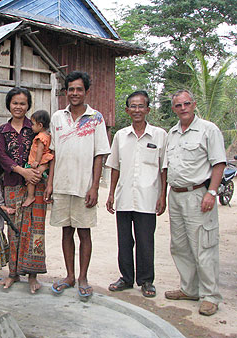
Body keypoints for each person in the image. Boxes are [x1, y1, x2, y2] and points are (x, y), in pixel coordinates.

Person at [44, 71, 110, 299]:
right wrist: (50, 183)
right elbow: (52, 154)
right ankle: (69, 276)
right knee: (66, 232)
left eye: (79, 89)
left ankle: (83, 277)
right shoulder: (57, 118)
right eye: (70, 89)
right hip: (62, 185)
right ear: (66, 92)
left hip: (84, 187)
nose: (74, 93)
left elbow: (99, 155)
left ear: (86, 92)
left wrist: (94, 187)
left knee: (84, 233)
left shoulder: (96, 118)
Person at [164, 90, 226, 316]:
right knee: (179, 246)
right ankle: (189, 289)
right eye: (178, 105)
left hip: (199, 195)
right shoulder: (172, 133)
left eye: (186, 104)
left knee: (204, 246)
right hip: (176, 194)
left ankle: (210, 296)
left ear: (194, 104)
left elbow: (219, 163)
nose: (183, 108)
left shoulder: (208, 130)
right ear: (173, 109)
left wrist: (212, 192)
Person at [105, 91, 167, 298]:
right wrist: (111, 194)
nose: (137, 110)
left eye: (141, 106)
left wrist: (162, 196)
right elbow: (115, 167)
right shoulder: (121, 136)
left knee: (145, 240)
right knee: (124, 240)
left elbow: (163, 169)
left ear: (148, 109)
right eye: (133, 106)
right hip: (124, 198)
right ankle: (126, 278)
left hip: (148, 197)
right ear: (127, 110)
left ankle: (146, 280)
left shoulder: (159, 135)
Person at [0, 87, 47, 294]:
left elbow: (47, 152)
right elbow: (2, 157)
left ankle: (33, 275)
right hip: (11, 184)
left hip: (36, 183)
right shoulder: (2, 131)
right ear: (9, 104)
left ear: (28, 106)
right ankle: (13, 273)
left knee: (35, 229)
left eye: (22, 103)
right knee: (14, 228)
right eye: (15, 103)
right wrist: (22, 172)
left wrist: (37, 171)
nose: (18, 107)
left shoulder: (34, 128)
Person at [22, 110, 54, 207]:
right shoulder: (48, 136)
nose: (31, 126)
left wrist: (36, 161)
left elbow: (40, 150)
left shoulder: (40, 137)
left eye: (33, 124)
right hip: (44, 162)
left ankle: (30, 196)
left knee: (30, 179)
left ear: (40, 125)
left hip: (38, 161)